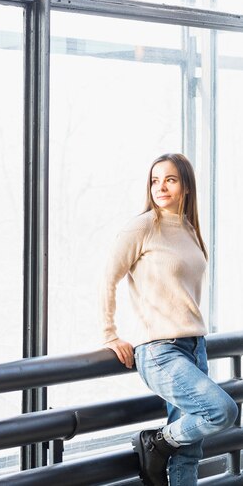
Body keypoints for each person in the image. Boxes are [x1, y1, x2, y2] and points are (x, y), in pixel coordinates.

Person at [99, 153, 237, 486]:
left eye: (170, 179)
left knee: (189, 453)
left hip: (194, 346)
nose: (160, 187)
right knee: (222, 411)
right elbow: (108, 278)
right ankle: (157, 442)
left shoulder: (189, 230)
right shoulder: (143, 226)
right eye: (155, 180)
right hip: (160, 351)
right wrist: (110, 334)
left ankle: (164, 443)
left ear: (186, 187)